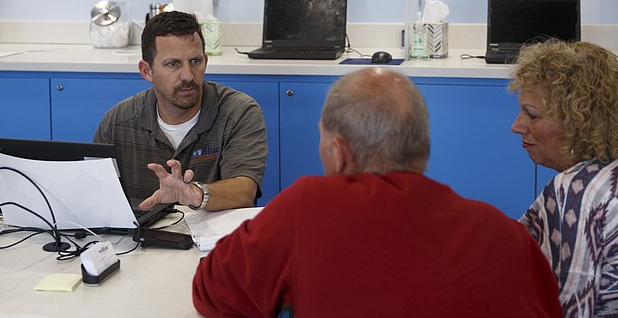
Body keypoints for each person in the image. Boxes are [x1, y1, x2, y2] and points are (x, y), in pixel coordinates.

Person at [192, 68, 562, 317]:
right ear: (421, 145)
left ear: (339, 153)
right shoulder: (506, 236)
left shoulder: (307, 209)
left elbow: (213, 291)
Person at [0, 10, 268, 213]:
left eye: (195, 61)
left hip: (212, 252)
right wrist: (16, 189)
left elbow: (244, 190)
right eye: (172, 64)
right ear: (146, 71)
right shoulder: (118, 121)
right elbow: (86, 189)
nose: (188, 75)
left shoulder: (239, 112)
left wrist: (193, 194)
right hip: (141, 250)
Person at [510, 40, 618, 316]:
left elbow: (570, 310)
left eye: (532, 115)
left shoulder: (575, 194)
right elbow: (517, 240)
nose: (517, 126)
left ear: (578, 124)